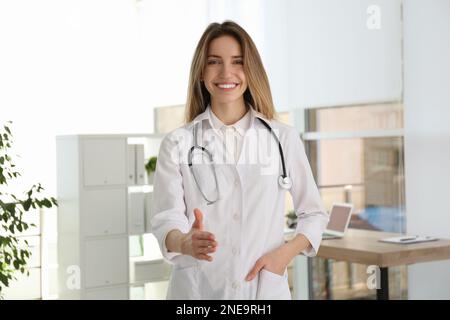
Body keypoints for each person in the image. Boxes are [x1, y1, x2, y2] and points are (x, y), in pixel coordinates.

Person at [151, 20, 329, 300]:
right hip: (199, 292)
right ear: (200, 71)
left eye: (237, 61)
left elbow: (314, 214)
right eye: (214, 62)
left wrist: (284, 255)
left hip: (263, 290)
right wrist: (184, 242)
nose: (226, 72)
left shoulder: (283, 138)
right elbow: (166, 218)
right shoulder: (178, 142)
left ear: (251, 70)